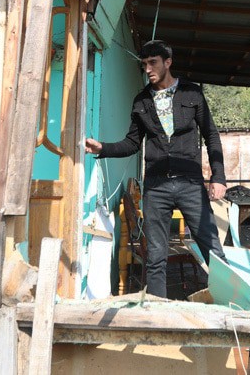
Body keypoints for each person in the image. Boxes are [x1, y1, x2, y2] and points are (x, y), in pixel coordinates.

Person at [84, 40, 227, 298]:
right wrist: (102, 148)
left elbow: (211, 136)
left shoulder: (192, 93)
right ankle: (158, 311)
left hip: (190, 183)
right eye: (144, 64)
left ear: (167, 62)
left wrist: (218, 177)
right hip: (156, 187)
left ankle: (230, 305)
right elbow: (131, 143)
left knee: (212, 249)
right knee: (156, 256)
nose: (148, 69)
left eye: (153, 63)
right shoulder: (141, 101)